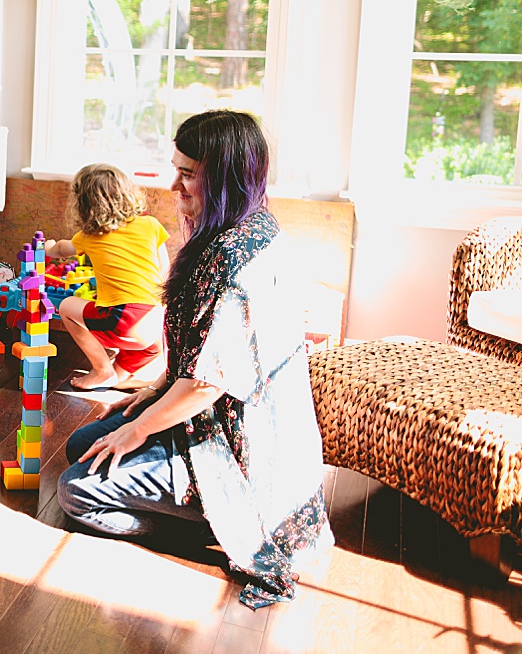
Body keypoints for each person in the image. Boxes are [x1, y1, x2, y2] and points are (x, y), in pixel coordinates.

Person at [56, 110, 331, 609]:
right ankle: (180, 504)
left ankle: (213, 526)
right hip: (201, 417)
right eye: (175, 167)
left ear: (223, 176)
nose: (174, 184)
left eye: (188, 174)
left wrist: (139, 428)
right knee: (82, 443)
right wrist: (153, 391)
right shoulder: (239, 227)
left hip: (236, 452)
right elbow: (197, 351)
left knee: (75, 492)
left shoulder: (236, 259)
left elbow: (208, 383)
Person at [49, 164, 169, 390]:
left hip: (123, 321)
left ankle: (102, 370)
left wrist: (49, 248)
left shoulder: (89, 236)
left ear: (83, 206)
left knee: (66, 306)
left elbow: (63, 249)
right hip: (156, 327)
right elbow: (165, 269)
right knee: (122, 369)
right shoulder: (151, 225)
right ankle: (121, 377)